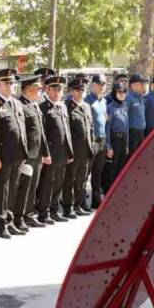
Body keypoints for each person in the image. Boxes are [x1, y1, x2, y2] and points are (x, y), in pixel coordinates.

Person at [0, 68, 29, 239]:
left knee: (13, 189)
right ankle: (1, 223)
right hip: (3, 156)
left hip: (18, 154)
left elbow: (22, 129)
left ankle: (10, 220)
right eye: (7, 82)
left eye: (12, 82)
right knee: (2, 190)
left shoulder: (17, 103)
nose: (11, 85)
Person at [10, 74, 49, 231]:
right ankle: (18, 217)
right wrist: (23, 155)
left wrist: (45, 152)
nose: (40, 91)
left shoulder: (34, 105)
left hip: (37, 153)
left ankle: (28, 214)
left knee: (33, 187)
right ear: (29, 89)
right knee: (23, 188)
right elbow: (22, 134)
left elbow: (41, 132)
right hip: (27, 154)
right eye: (38, 89)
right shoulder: (21, 106)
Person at [37, 75, 73, 224]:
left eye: (60, 89)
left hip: (63, 152)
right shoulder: (43, 107)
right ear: (48, 89)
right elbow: (42, 133)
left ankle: (54, 209)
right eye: (55, 89)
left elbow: (67, 131)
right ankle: (43, 212)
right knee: (47, 183)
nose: (58, 92)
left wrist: (70, 152)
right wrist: (45, 153)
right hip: (51, 152)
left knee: (58, 182)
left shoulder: (63, 106)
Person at [63, 78, 94, 217]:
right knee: (69, 179)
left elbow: (90, 128)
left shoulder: (87, 106)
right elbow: (66, 131)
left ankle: (79, 204)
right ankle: (67, 207)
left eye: (83, 90)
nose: (80, 93)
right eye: (77, 90)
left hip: (86, 150)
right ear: (71, 91)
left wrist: (91, 146)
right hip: (74, 150)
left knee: (81, 180)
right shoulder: (67, 106)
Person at [85, 74, 110, 209]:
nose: (102, 87)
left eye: (104, 84)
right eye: (99, 84)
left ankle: (95, 200)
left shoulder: (104, 101)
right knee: (86, 173)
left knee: (98, 173)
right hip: (92, 140)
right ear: (93, 85)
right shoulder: (87, 101)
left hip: (102, 140)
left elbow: (106, 123)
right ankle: (81, 201)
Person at [103, 83, 130, 194]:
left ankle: (117, 191)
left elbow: (127, 127)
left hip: (123, 140)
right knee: (112, 168)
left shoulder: (124, 107)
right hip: (114, 139)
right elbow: (107, 128)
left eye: (124, 92)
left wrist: (127, 144)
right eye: (119, 91)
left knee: (121, 167)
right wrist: (108, 146)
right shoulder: (110, 108)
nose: (122, 94)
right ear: (114, 93)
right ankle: (109, 192)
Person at [125, 73, 148, 155]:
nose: (143, 86)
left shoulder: (141, 98)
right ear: (133, 85)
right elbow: (124, 116)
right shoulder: (128, 98)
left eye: (144, 84)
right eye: (141, 83)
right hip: (132, 133)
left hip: (141, 132)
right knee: (131, 156)